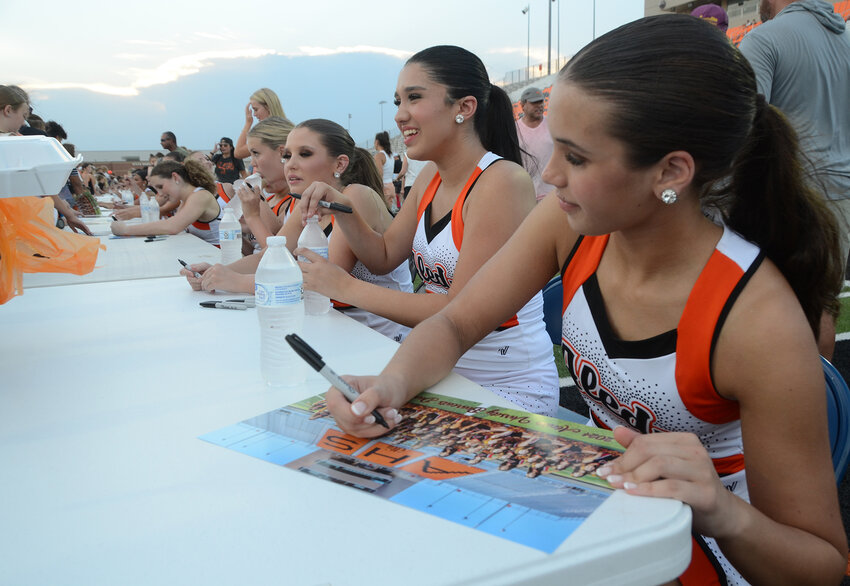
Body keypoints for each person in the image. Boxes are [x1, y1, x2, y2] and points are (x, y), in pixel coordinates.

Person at [318, 17, 847, 585]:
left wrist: (722, 511)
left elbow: (819, 563)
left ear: (670, 171)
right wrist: (389, 385)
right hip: (600, 515)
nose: (548, 175)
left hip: (698, 552)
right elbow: (454, 323)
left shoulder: (756, 320)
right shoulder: (571, 225)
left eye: (575, 158)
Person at [298, 45, 559, 416]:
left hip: (504, 384)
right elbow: (384, 256)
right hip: (437, 370)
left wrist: (345, 287)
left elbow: (456, 309)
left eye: (414, 98)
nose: (401, 115)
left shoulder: (502, 182)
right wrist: (342, 209)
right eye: (398, 101)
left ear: (464, 108)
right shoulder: (431, 178)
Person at [183, 119, 412, 341]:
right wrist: (216, 272)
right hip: (335, 327)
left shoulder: (356, 196)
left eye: (305, 154)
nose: (290, 164)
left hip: (383, 338)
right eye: (287, 155)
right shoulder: (307, 202)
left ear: (339, 164)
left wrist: (234, 281)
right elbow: (270, 255)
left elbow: (320, 281)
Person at [739, 0, 850, 359]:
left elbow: (745, 128)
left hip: (791, 196)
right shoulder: (846, 38)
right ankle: (820, 410)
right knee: (821, 308)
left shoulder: (765, 39)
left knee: (772, 312)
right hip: (843, 197)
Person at [0, 86, 91, 235]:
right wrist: (67, 213)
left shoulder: (17, 141)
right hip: (15, 223)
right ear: (8, 110)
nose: (24, 123)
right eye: (23, 116)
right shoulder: (17, 143)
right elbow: (41, 184)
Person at [111, 158, 221, 245]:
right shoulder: (185, 200)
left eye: (160, 186)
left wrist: (126, 229)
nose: (160, 193)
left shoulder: (200, 196)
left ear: (175, 178)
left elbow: (172, 226)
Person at [515, 86, 554, 202]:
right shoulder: (514, 129)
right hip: (524, 194)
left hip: (550, 194)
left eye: (541, 102)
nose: (539, 106)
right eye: (534, 103)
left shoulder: (553, 124)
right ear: (522, 105)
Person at [234, 88, 286, 160]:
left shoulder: (268, 133)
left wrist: (248, 123)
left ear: (268, 107)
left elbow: (238, 153)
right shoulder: (285, 128)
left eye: (256, 109)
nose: (254, 114)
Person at [373, 130, 396, 212]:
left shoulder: (379, 156)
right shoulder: (390, 155)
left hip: (383, 187)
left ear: (377, 142)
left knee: (382, 213)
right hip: (391, 186)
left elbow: (379, 174)